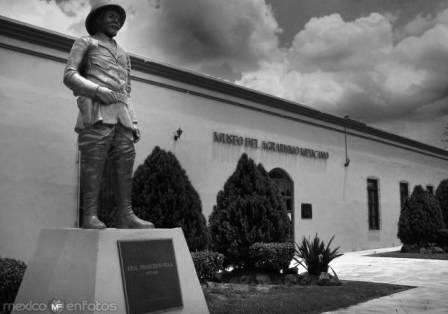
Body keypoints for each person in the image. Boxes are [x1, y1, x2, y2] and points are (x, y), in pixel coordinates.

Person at [63, 0, 154, 229]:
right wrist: (97, 91)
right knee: (93, 165)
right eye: (111, 15)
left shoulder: (124, 55)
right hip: (96, 113)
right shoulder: (85, 42)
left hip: (122, 117)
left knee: (125, 164)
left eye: (119, 17)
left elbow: (127, 91)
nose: (116, 20)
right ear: (97, 18)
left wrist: (133, 120)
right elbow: (70, 75)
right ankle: (89, 215)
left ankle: (126, 215)